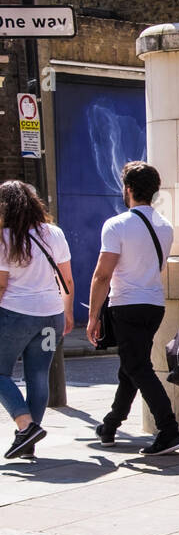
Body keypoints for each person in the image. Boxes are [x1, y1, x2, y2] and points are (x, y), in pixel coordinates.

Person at [85, 161, 179, 455]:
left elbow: (102, 275)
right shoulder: (165, 226)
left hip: (126, 305)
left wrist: (92, 316)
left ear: (127, 189)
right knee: (131, 366)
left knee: (138, 367)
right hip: (154, 305)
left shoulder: (116, 226)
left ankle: (169, 430)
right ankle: (110, 425)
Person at [0, 181, 73, 459]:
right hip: (51, 315)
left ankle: (25, 426)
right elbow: (66, 278)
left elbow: (1, 286)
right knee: (38, 375)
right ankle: (28, 441)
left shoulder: (5, 237)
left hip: (16, 315)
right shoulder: (54, 233)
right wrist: (67, 312)